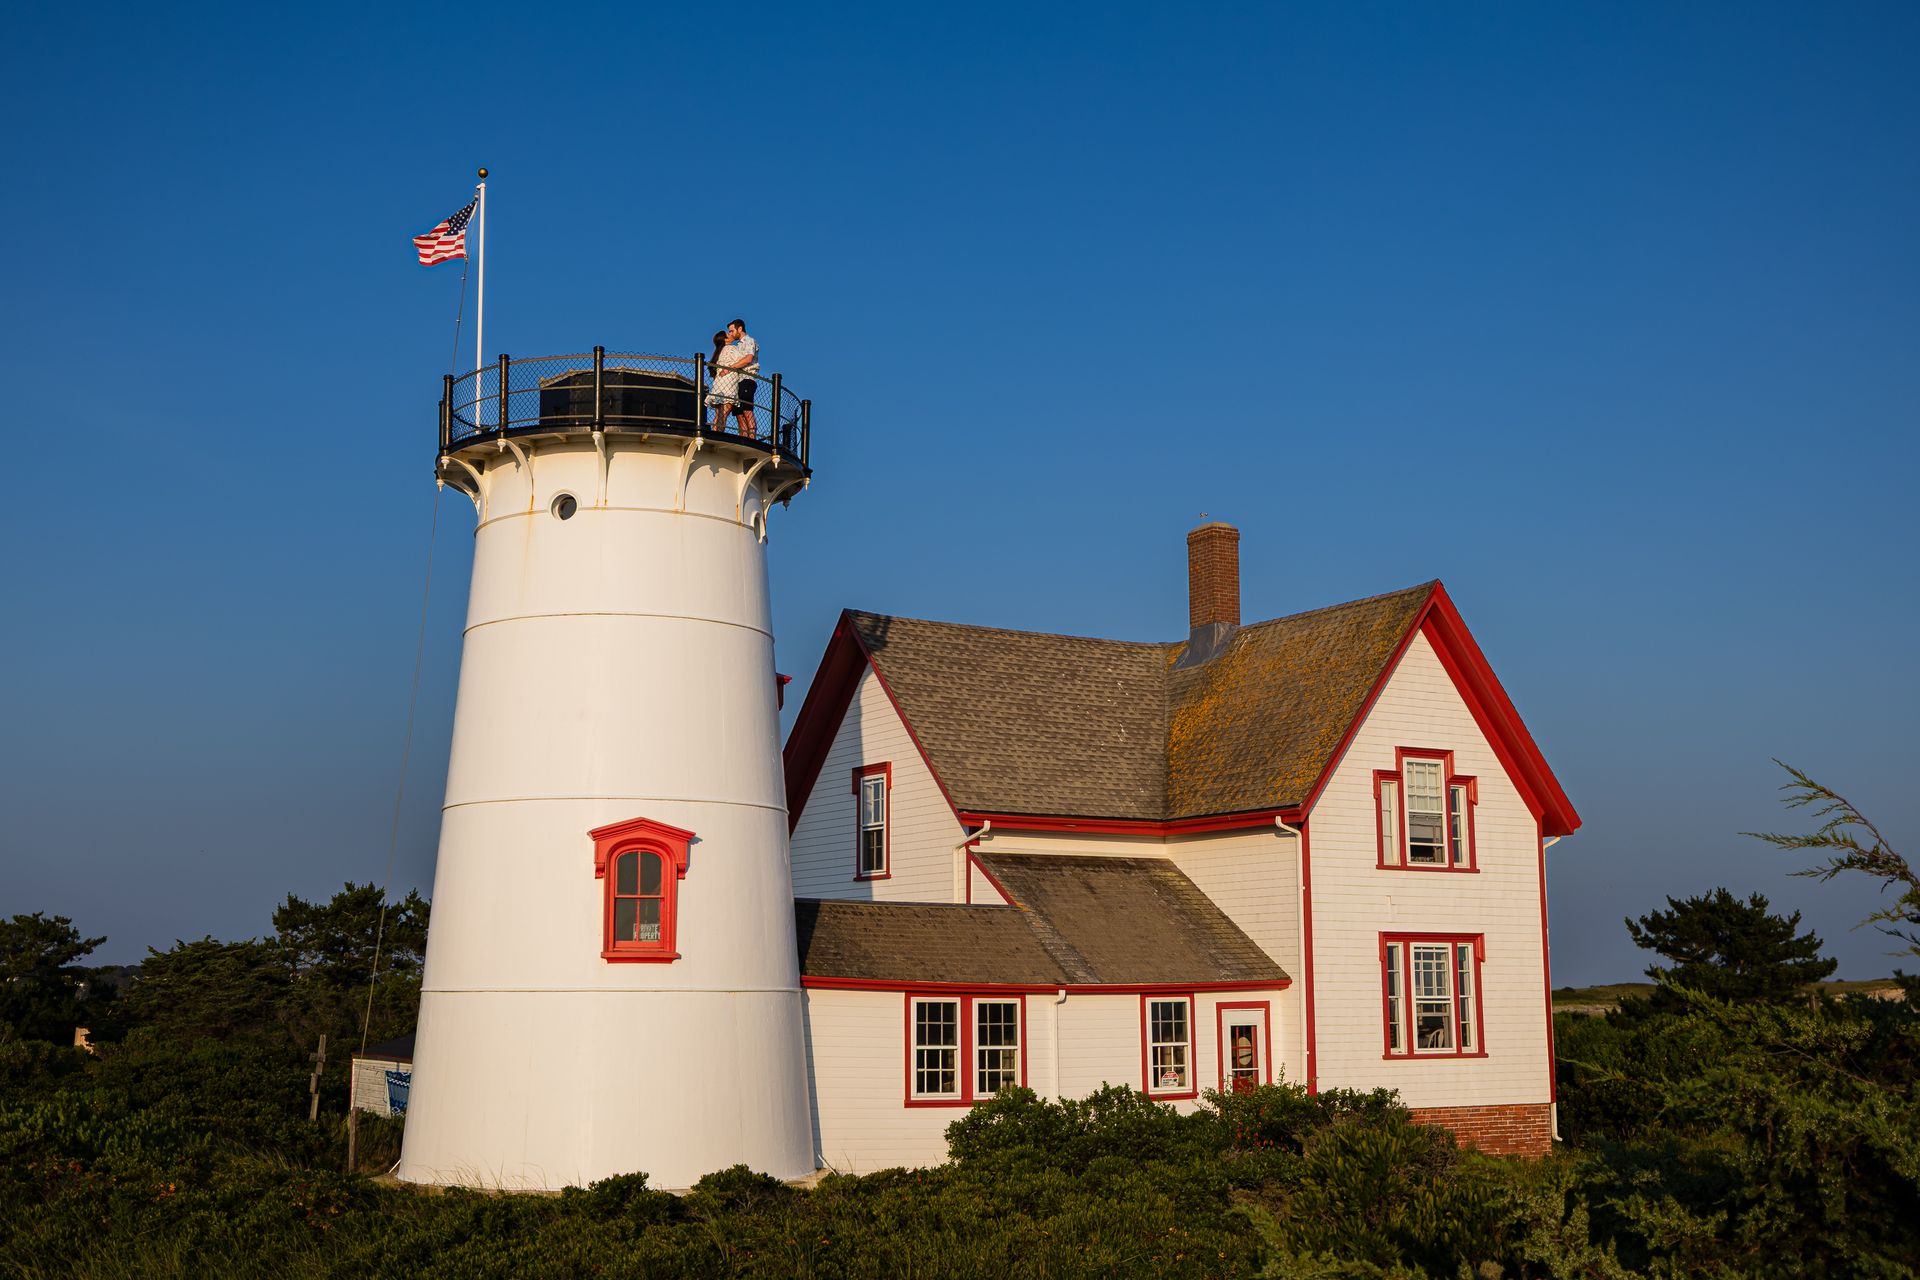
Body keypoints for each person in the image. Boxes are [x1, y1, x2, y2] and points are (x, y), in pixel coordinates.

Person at [722, 319, 759, 439]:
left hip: (747, 379)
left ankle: (752, 438)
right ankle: (743, 437)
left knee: (747, 410)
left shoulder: (749, 341)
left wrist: (730, 368)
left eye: (731, 331)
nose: (730, 333)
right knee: (738, 413)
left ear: (740, 328)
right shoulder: (737, 345)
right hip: (736, 382)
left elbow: (748, 359)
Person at [704, 329, 737, 431]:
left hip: (719, 385)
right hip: (729, 384)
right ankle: (718, 433)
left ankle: (714, 432)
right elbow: (743, 360)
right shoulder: (732, 349)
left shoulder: (719, 352)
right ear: (725, 340)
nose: (730, 334)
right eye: (728, 334)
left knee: (719, 414)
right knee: (724, 413)